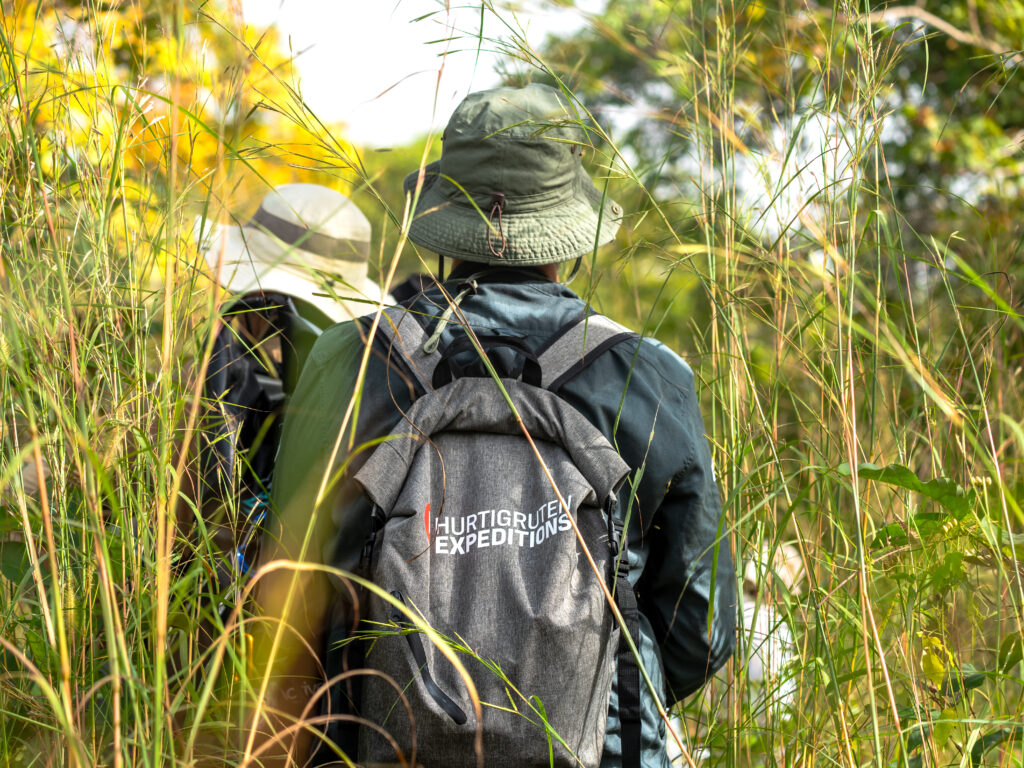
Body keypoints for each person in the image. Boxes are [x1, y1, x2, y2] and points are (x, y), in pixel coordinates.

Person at [259, 84, 735, 768]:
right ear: (567, 229)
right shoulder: (648, 377)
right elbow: (701, 631)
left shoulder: (349, 359)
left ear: (447, 216)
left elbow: (288, 587)